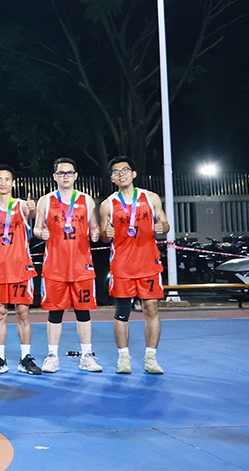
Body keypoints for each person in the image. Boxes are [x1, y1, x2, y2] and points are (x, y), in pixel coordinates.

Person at [99, 156, 169, 375]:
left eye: (125, 170)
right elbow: (103, 236)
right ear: (112, 178)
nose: (121, 174)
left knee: (151, 308)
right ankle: (123, 357)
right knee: (122, 311)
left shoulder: (151, 197)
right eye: (116, 172)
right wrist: (105, 233)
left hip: (148, 263)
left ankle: (151, 357)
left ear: (134, 173)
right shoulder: (107, 204)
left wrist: (163, 226)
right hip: (122, 265)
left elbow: (164, 223)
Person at [33, 158, 103, 374]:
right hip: (55, 266)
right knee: (55, 313)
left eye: (69, 173)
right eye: (61, 173)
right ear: (55, 176)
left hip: (81, 266)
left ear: (75, 176)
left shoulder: (86, 200)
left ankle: (86, 355)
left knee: (83, 312)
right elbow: (36, 228)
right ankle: (52, 356)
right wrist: (41, 233)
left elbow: (95, 228)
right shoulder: (46, 200)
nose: (65, 176)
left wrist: (96, 233)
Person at [0, 165, 42, 376]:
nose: (3, 183)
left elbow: (31, 212)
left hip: (20, 268)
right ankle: (0, 358)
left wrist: (32, 208)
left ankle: (25, 358)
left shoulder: (21, 205)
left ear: (13, 183)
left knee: (23, 313)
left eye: (7, 179)